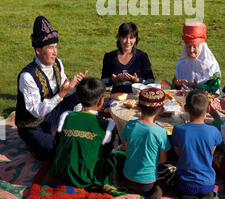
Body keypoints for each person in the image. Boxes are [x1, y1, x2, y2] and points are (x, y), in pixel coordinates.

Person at [16, 16, 88, 161]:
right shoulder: (27, 77)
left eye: (55, 47)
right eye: (50, 48)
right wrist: (61, 94)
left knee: (85, 95)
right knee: (51, 152)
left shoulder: (58, 63)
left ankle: (73, 130)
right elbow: (37, 111)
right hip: (32, 124)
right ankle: (38, 142)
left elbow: (66, 90)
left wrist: (76, 86)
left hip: (52, 113)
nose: (55, 52)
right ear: (38, 50)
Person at [47, 77, 124, 189]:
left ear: (78, 97)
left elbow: (60, 140)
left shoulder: (66, 116)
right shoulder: (108, 125)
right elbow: (107, 151)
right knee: (121, 154)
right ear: (101, 100)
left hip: (62, 170)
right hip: (88, 175)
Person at [171, 90, 222, 199]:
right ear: (208, 110)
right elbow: (210, 153)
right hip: (207, 183)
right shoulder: (214, 131)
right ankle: (207, 196)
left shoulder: (179, 130)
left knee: (176, 183)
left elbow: (179, 153)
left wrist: (186, 128)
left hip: (185, 184)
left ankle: (188, 197)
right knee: (205, 189)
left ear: (185, 108)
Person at [120, 87, 171, 199]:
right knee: (171, 168)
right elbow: (163, 160)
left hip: (127, 178)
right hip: (147, 184)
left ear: (138, 106)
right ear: (161, 109)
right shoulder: (161, 131)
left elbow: (127, 150)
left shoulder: (130, 125)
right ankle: (158, 189)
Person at [101, 22, 154, 94]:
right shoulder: (109, 57)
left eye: (131, 38)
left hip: (138, 97)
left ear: (136, 39)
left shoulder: (142, 56)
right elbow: (102, 81)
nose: (128, 42)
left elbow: (151, 80)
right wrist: (113, 80)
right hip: (116, 97)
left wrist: (138, 80)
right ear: (119, 37)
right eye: (124, 37)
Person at [173, 22, 221, 94]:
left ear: (201, 46)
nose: (191, 50)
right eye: (188, 46)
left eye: (194, 46)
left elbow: (215, 86)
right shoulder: (181, 64)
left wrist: (197, 86)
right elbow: (174, 88)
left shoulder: (211, 64)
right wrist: (177, 85)